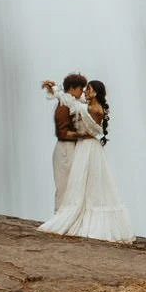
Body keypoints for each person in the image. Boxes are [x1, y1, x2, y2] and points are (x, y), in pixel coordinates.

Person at [39, 78, 131, 242]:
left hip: (87, 147)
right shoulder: (91, 106)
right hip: (87, 147)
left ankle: (82, 216)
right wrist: (55, 89)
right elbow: (72, 101)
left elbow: (76, 108)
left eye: (88, 89)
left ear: (95, 92)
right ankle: (80, 212)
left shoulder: (92, 109)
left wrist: (57, 92)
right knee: (87, 183)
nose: (85, 92)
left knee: (86, 182)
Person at [42, 74, 90, 214]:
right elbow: (62, 133)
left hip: (72, 147)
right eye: (81, 88)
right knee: (63, 184)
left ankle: (70, 215)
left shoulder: (73, 103)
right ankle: (60, 215)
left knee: (74, 184)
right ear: (72, 88)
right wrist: (84, 135)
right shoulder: (63, 106)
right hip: (65, 149)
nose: (82, 91)